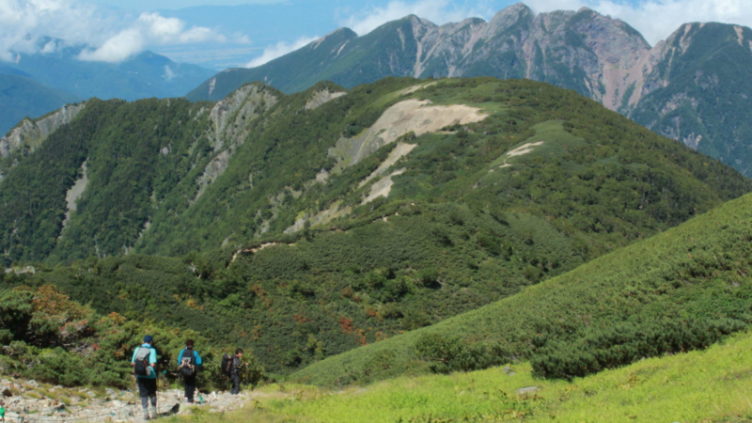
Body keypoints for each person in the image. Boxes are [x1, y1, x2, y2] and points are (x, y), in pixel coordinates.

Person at [131, 335, 158, 420]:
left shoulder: (137, 349)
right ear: (151, 342)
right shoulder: (152, 350)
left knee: (143, 394)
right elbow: (153, 364)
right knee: (152, 393)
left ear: (143, 341)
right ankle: (153, 411)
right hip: (150, 375)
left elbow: (132, 363)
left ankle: (145, 412)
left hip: (140, 375)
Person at [176, 339, 203, 403]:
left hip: (184, 370)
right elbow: (199, 362)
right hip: (192, 371)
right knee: (191, 384)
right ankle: (190, 398)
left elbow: (179, 360)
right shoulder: (195, 352)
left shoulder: (182, 352)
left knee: (186, 383)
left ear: (186, 345)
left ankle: (186, 396)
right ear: (193, 345)